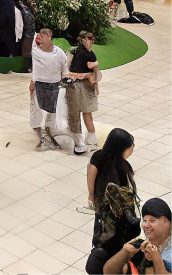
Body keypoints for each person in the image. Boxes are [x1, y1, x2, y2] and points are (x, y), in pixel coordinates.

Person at [85, 129, 140, 275]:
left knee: (101, 241)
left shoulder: (98, 156)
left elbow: (91, 175)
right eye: (131, 146)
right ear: (121, 148)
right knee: (116, 247)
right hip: (118, 220)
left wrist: (92, 197)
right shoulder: (123, 168)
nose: (133, 148)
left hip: (102, 215)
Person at [102, 197, 172, 275]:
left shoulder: (169, 253)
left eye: (152, 220)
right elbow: (108, 272)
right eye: (145, 220)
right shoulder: (139, 246)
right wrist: (125, 251)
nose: (146, 225)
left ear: (165, 221)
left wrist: (156, 258)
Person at [29, 28, 69, 150]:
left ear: (49, 37)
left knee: (52, 113)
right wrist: (33, 81)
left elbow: (65, 70)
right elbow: (35, 69)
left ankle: (51, 135)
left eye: (44, 36)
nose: (41, 38)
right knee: (39, 111)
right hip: (40, 85)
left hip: (55, 85)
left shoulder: (59, 53)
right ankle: (42, 136)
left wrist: (65, 82)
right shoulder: (35, 52)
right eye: (40, 36)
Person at [68, 29, 100, 156]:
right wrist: (88, 74)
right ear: (83, 40)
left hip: (85, 87)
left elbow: (94, 68)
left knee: (86, 114)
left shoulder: (88, 53)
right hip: (79, 87)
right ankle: (85, 141)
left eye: (92, 39)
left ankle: (89, 140)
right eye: (88, 39)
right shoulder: (81, 54)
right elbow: (73, 72)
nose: (90, 42)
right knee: (81, 114)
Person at [15, 0, 36, 73]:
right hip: (28, 33)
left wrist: (23, 35)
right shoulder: (24, 8)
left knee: (26, 51)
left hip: (28, 34)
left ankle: (27, 67)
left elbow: (27, 24)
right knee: (26, 50)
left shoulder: (23, 11)